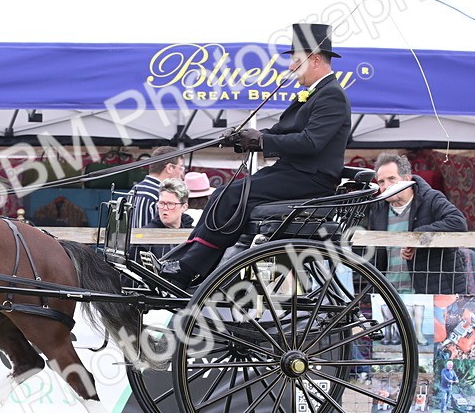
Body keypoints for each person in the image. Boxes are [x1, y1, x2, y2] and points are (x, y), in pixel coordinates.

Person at [160, 23, 352, 286]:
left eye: (295, 60)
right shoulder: (315, 94)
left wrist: (262, 140)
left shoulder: (332, 96)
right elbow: (281, 132)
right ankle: (189, 259)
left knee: (231, 196)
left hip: (309, 179)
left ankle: (191, 267)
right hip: (292, 173)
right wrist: (245, 138)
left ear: (315, 59)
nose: (290, 67)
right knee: (222, 194)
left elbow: (311, 143)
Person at [367, 152, 467, 294]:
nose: (386, 186)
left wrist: (416, 238)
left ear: (407, 178)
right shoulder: (377, 210)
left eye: (392, 179)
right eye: (381, 182)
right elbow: (375, 256)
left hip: (432, 294)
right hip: (391, 297)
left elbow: (458, 222)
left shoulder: (431, 198)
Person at [129, 146, 185, 229]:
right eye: (180, 168)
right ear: (169, 168)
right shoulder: (159, 194)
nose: (182, 173)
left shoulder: (134, 189)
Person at [142, 178, 194, 261]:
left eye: (170, 204)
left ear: (184, 207)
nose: (165, 208)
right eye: (161, 203)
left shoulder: (193, 235)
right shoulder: (144, 236)